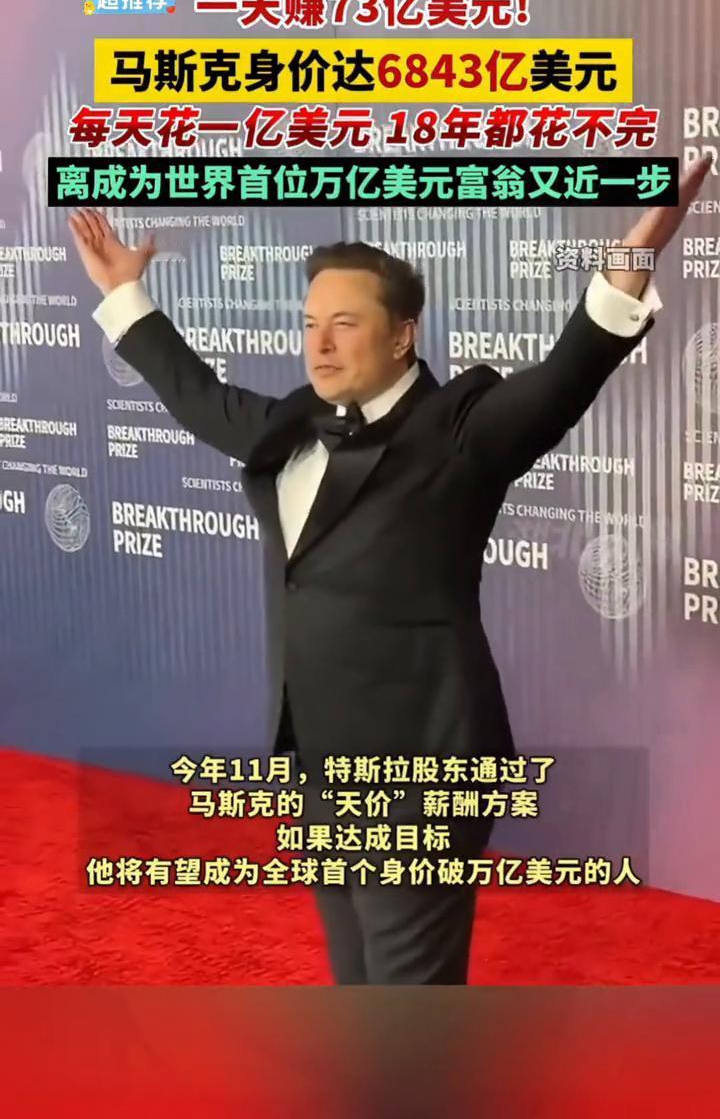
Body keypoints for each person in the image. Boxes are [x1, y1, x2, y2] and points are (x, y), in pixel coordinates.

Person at [69, 154, 711, 985]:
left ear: (403, 334)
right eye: (310, 322)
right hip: (319, 765)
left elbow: (561, 381)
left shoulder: (459, 430)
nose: (319, 343)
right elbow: (198, 396)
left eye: (344, 323)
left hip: (420, 768)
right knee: (358, 980)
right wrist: (125, 293)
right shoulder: (292, 424)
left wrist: (628, 267)